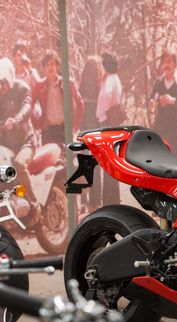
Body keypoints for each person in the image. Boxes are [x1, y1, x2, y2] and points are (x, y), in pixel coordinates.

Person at [0, 57, 37, 211]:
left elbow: (27, 107)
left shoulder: (22, 88)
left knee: (19, 164)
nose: (1, 87)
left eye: (3, 82)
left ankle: (34, 206)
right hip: (7, 145)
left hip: (26, 142)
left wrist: (15, 121)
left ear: (9, 76)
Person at [32, 50, 84, 145]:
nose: (50, 67)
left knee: (67, 158)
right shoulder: (40, 85)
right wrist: (38, 123)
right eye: (47, 65)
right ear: (44, 68)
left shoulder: (68, 82)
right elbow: (30, 104)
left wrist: (75, 126)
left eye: (52, 64)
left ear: (57, 65)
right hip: (48, 130)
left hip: (65, 128)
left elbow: (80, 102)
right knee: (49, 159)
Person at [149, 49, 177, 159]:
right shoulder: (158, 82)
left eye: (169, 61)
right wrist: (152, 103)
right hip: (160, 127)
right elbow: (151, 101)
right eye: (164, 62)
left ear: (175, 64)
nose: (166, 65)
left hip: (174, 128)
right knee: (158, 160)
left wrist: (172, 101)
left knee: (174, 161)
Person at [96, 52, 122, 205]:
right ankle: (111, 199)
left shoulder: (110, 80)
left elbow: (106, 98)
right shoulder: (114, 79)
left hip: (106, 122)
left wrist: (100, 114)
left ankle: (109, 200)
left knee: (108, 162)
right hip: (112, 122)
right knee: (112, 161)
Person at [79, 56, 102, 210]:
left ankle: (83, 200)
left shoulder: (82, 86)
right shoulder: (99, 85)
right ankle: (95, 200)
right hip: (95, 124)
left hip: (84, 125)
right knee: (96, 163)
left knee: (83, 161)